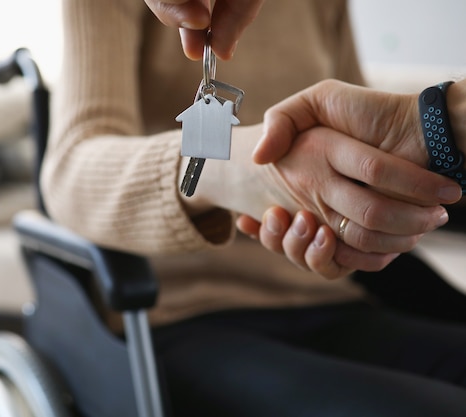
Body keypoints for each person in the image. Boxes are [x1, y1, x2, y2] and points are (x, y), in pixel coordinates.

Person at [42, 0, 466, 415]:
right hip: (183, 318)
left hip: (329, 297)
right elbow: (71, 173)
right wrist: (240, 167)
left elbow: (368, 139)